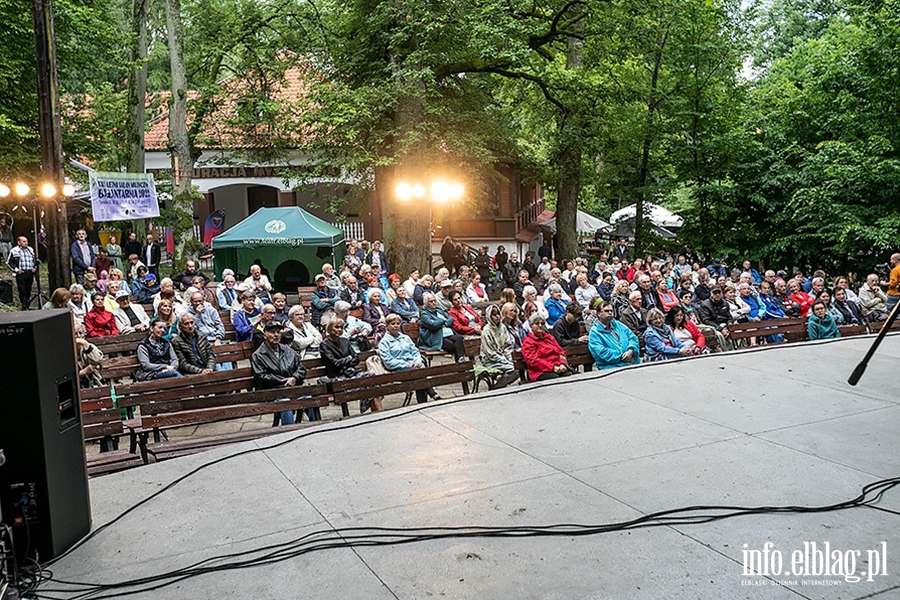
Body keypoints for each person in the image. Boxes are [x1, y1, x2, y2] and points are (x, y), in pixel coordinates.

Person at [250, 320, 308, 425]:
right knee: (284, 403)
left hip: (292, 389)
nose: (276, 335)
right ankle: (289, 432)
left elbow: (301, 368)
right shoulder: (258, 355)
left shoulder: (288, 350)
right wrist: (283, 381)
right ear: (265, 335)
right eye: (272, 332)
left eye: (278, 332)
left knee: (308, 399)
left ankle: (317, 429)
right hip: (273, 393)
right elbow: (261, 376)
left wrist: (294, 378)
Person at [321, 318, 382, 413]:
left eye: (341, 328)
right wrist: (348, 359)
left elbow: (356, 359)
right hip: (337, 377)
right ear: (329, 328)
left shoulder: (345, 341)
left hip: (351, 373)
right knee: (366, 382)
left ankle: (378, 412)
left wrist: (347, 360)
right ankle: (375, 411)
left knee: (371, 377)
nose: (339, 330)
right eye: (336, 327)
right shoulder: (324, 344)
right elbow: (334, 364)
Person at [378, 314, 439, 403]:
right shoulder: (384, 342)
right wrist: (406, 365)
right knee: (419, 374)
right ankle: (432, 395)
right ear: (387, 326)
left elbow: (415, 352)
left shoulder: (406, 338)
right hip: (396, 370)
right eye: (392, 323)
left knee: (418, 375)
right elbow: (388, 362)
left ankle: (424, 402)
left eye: (398, 323)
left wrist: (417, 362)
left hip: (413, 367)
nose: (395, 326)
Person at [588, 301, 641, 370]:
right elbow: (601, 352)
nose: (610, 313)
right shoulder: (594, 332)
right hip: (612, 367)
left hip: (632, 363)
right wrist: (623, 356)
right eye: (606, 311)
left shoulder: (618, 325)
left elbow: (633, 337)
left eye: (611, 311)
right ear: (598, 313)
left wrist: (631, 350)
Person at [477, 305, 519, 389]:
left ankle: (501, 383)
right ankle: (497, 387)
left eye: (498, 314)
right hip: (490, 360)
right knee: (514, 368)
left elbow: (508, 345)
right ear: (489, 316)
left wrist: (508, 357)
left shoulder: (502, 327)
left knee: (518, 367)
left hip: (503, 357)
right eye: (494, 315)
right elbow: (489, 352)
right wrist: (503, 360)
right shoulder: (486, 331)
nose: (497, 317)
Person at [521, 314, 571, 381]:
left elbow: (560, 352)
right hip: (539, 371)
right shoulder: (528, 342)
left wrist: (562, 364)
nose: (540, 325)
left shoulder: (549, 337)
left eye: (542, 323)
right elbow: (533, 361)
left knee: (572, 375)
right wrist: (552, 367)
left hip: (558, 367)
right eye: (537, 323)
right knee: (556, 379)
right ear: (531, 326)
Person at [419, 292, 467, 360]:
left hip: (447, 333)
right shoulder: (424, 313)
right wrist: (443, 320)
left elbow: (450, 319)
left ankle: (461, 360)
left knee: (459, 338)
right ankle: (460, 362)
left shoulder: (439, 309)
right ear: (426, 303)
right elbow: (433, 325)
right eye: (431, 301)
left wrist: (444, 323)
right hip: (435, 337)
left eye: (434, 300)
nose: (433, 302)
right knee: (453, 346)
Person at [7, 235, 38, 309]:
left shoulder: (30, 250)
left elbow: (34, 260)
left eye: (26, 241)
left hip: (29, 272)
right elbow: (8, 262)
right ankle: (24, 305)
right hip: (21, 273)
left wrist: (34, 267)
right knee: (22, 290)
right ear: (19, 242)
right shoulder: (14, 251)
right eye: (24, 241)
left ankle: (27, 305)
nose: (26, 243)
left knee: (28, 289)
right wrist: (16, 270)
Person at [74, 322, 104, 388]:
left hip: (93, 383)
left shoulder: (89, 346)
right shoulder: (67, 352)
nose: (79, 336)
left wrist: (85, 344)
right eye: (75, 334)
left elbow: (98, 360)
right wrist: (84, 372)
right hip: (75, 386)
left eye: (81, 333)